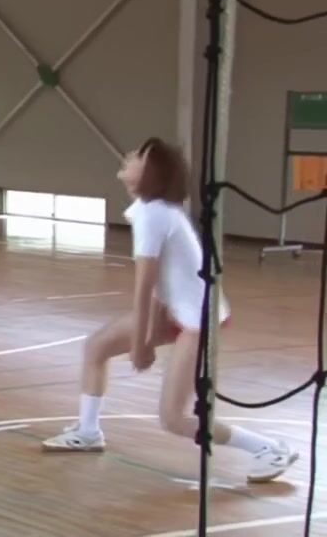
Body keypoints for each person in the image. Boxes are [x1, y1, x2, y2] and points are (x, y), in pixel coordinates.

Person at [42, 137, 298, 482]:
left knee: (174, 419)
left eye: (140, 156)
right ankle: (88, 432)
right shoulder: (147, 210)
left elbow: (144, 285)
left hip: (199, 321)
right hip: (175, 309)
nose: (130, 156)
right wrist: (146, 336)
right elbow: (159, 286)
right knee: (97, 347)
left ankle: (269, 448)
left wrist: (141, 345)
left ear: (152, 173)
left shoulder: (155, 215)